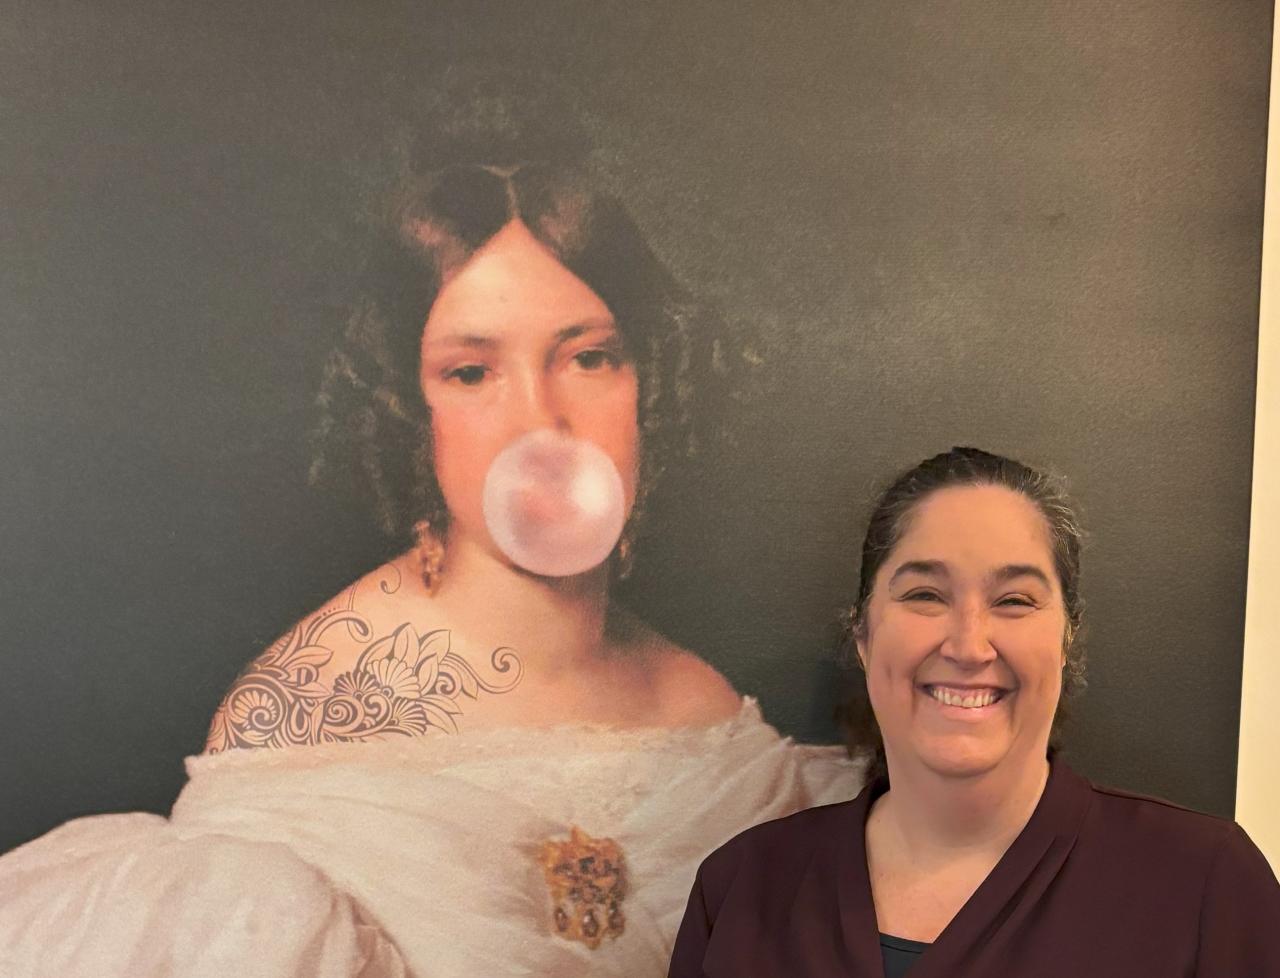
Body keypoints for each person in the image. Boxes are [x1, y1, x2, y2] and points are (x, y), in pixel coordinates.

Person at [0, 87, 861, 978]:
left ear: (652, 382)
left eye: (591, 356)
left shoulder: (701, 710)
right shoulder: (306, 713)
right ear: (408, 408)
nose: (541, 422)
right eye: (472, 370)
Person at [668, 447, 1280, 978]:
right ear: (864, 635)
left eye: (1014, 600)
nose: (968, 645)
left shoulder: (1206, 887)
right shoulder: (741, 889)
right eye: (925, 595)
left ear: (1066, 641)